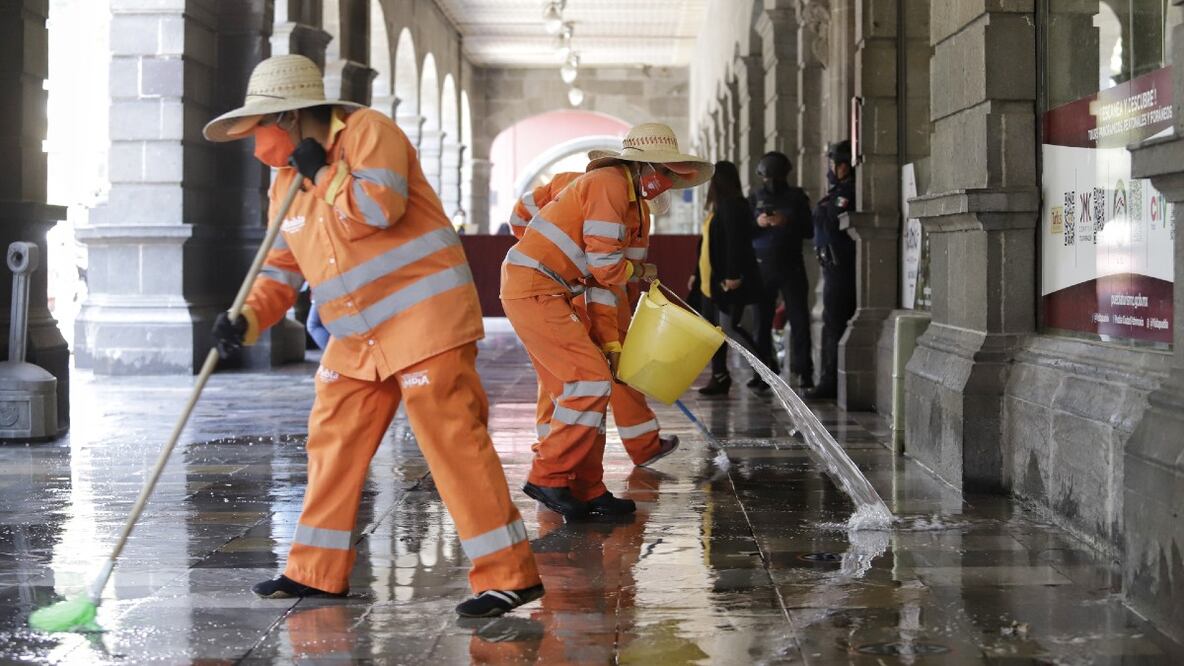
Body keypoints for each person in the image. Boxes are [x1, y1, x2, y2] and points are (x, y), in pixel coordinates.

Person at [203, 54, 541, 618]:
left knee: (452, 441)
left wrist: (323, 173)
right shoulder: (285, 181)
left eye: (257, 128)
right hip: (357, 336)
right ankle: (314, 571)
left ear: (287, 118)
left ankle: (510, 575)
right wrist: (247, 318)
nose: (254, 143)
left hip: (424, 322)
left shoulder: (369, 133)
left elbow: (380, 208)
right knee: (331, 439)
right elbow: (281, 269)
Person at [500, 123, 711, 518]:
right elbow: (607, 268)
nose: (665, 182)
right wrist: (638, 271)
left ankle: (588, 489)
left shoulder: (631, 204)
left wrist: (612, 344)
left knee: (588, 385)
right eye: (663, 172)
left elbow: (603, 285)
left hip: (550, 289)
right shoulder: (610, 184)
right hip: (537, 288)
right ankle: (549, 476)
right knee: (589, 382)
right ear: (643, 166)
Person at [509, 172, 680, 469]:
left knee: (565, 374)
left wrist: (546, 256)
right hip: (576, 288)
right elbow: (620, 277)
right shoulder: (633, 211)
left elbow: (519, 217)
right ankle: (636, 445)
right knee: (609, 370)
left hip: (563, 287)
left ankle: (559, 450)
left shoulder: (570, 183)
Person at [690, 161, 763, 396]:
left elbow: (735, 244)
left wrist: (733, 275)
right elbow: (706, 245)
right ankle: (719, 376)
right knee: (713, 331)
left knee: (729, 328)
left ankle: (765, 368)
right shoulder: (718, 208)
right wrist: (695, 273)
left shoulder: (732, 206)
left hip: (725, 281)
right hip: (709, 282)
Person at [748, 152, 814, 391]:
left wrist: (787, 221)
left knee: (799, 320)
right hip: (762, 265)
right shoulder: (754, 197)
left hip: (791, 264)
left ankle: (804, 371)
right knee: (761, 323)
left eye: (776, 176)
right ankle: (762, 372)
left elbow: (809, 229)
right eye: (768, 177)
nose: (772, 181)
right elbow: (745, 231)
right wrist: (758, 223)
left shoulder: (796, 197)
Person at [805, 140, 857, 400]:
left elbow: (832, 223)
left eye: (837, 163)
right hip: (831, 266)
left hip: (842, 267)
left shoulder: (847, 192)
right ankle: (827, 378)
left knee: (834, 324)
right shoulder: (836, 191)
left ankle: (830, 381)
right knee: (831, 323)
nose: (835, 168)